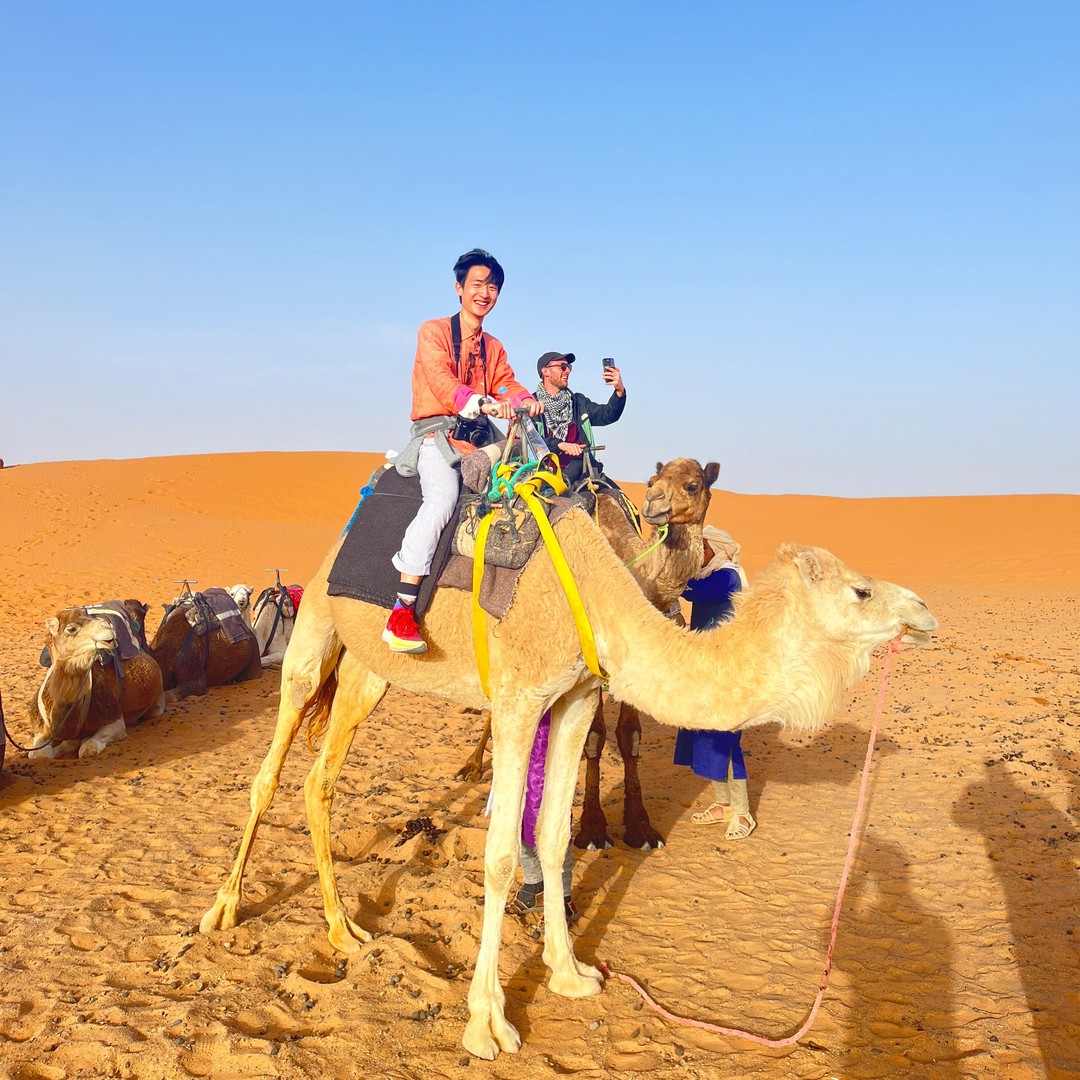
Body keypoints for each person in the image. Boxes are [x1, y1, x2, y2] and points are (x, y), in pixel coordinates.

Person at [385, 249, 542, 654]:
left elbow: (507, 383)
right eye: (477, 284)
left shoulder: (493, 347)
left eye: (493, 286)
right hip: (438, 435)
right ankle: (401, 609)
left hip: (480, 439)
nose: (485, 292)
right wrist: (481, 403)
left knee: (527, 494)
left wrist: (526, 400)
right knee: (443, 499)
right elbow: (440, 379)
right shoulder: (433, 331)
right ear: (459, 288)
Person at [672, 527, 756, 840]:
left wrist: (671, 580)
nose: (698, 552)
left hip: (729, 672)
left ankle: (743, 813)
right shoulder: (707, 575)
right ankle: (722, 805)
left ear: (717, 548)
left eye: (702, 546)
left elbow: (697, 593)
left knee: (727, 742)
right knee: (708, 739)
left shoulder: (728, 576)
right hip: (707, 668)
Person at [507, 708, 580, 926]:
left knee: (553, 820)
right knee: (517, 813)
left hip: (555, 735)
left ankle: (563, 897)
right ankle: (534, 883)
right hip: (519, 731)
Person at [533, 352, 626, 486]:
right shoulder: (531, 405)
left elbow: (607, 415)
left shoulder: (578, 402)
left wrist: (619, 390)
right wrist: (559, 445)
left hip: (584, 471)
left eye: (569, 366)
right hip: (545, 475)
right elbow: (528, 441)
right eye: (563, 366)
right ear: (546, 371)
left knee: (622, 501)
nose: (568, 371)